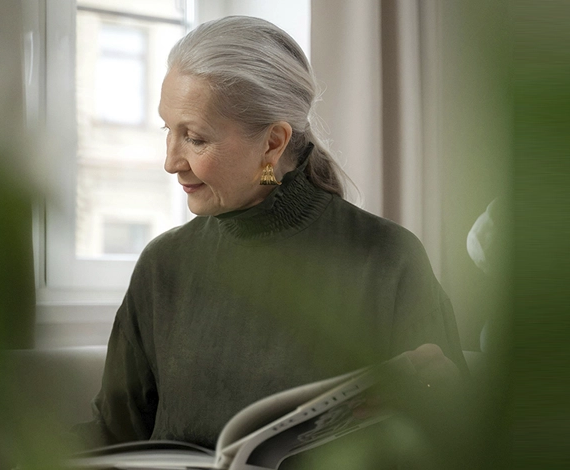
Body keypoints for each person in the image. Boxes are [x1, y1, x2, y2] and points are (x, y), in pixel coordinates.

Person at [73, 16, 467, 452]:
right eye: (169, 130)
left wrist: (441, 404)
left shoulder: (388, 258)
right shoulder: (162, 265)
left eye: (195, 138)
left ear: (273, 143)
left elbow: (455, 440)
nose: (171, 162)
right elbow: (114, 434)